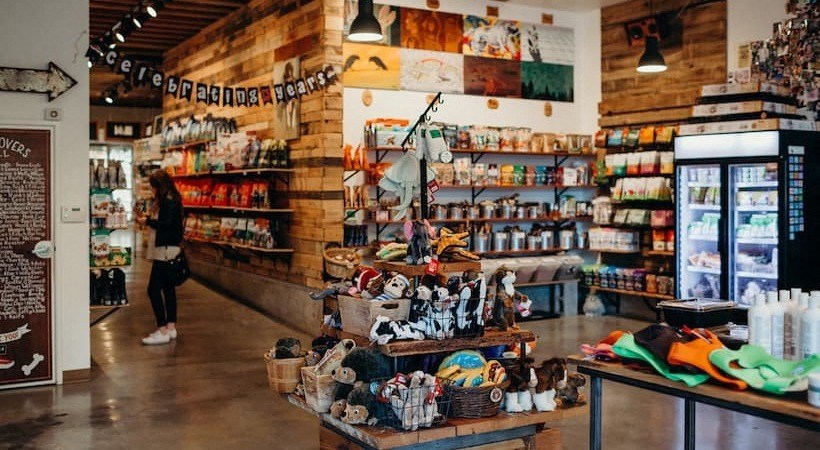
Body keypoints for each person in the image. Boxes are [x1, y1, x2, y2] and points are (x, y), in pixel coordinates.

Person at [135, 169, 183, 345]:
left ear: (159, 186)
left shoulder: (168, 201)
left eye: (153, 187)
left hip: (164, 252)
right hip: (169, 250)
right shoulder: (171, 199)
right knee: (168, 289)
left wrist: (147, 221)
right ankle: (171, 327)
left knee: (153, 290)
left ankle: (162, 330)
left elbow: (166, 225)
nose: (152, 190)